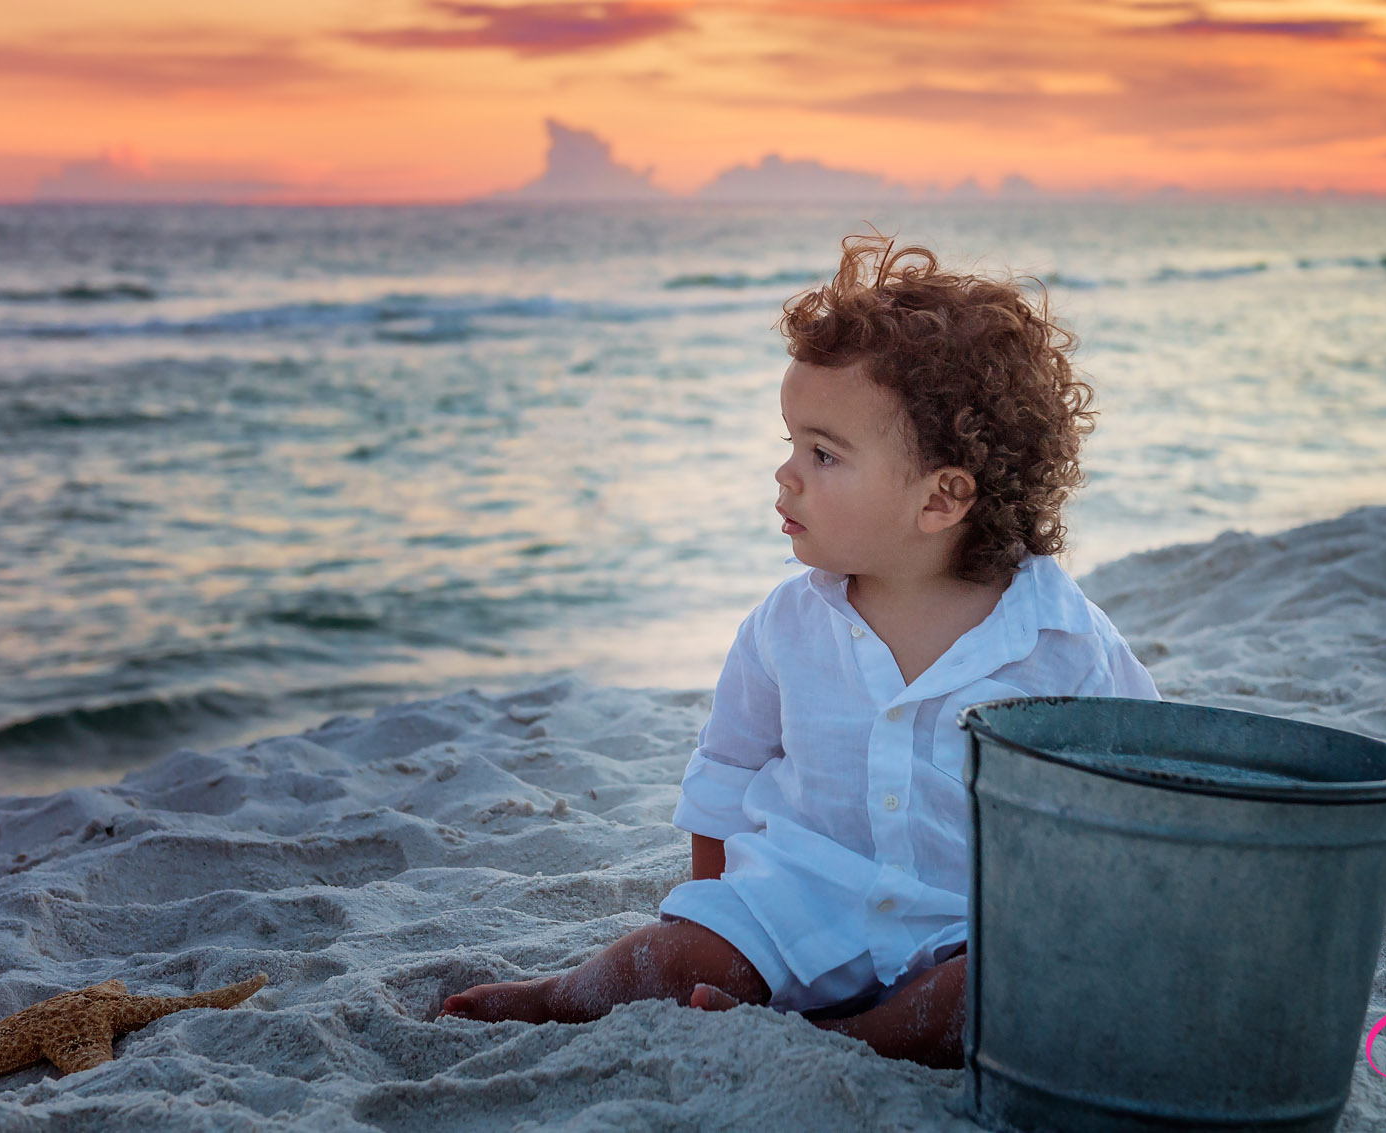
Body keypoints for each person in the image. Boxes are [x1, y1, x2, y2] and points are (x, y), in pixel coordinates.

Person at [437, 231, 1159, 1066]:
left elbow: (1143, 782)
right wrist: (710, 911)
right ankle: (561, 998)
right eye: (789, 444)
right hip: (802, 900)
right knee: (663, 958)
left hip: (966, 915)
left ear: (943, 496)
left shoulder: (1065, 640)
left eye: (823, 453)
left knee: (1006, 991)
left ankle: (850, 1038)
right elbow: (725, 774)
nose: (786, 475)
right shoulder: (785, 626)